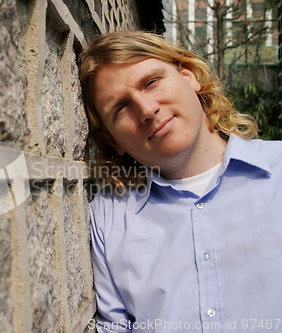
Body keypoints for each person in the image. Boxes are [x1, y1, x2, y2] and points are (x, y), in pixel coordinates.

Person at [79, 30, 282, 332]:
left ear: (188, 76)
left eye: (151, 82)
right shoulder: (106, 219)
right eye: (121, 107)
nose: (147, 110)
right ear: (112, 139)